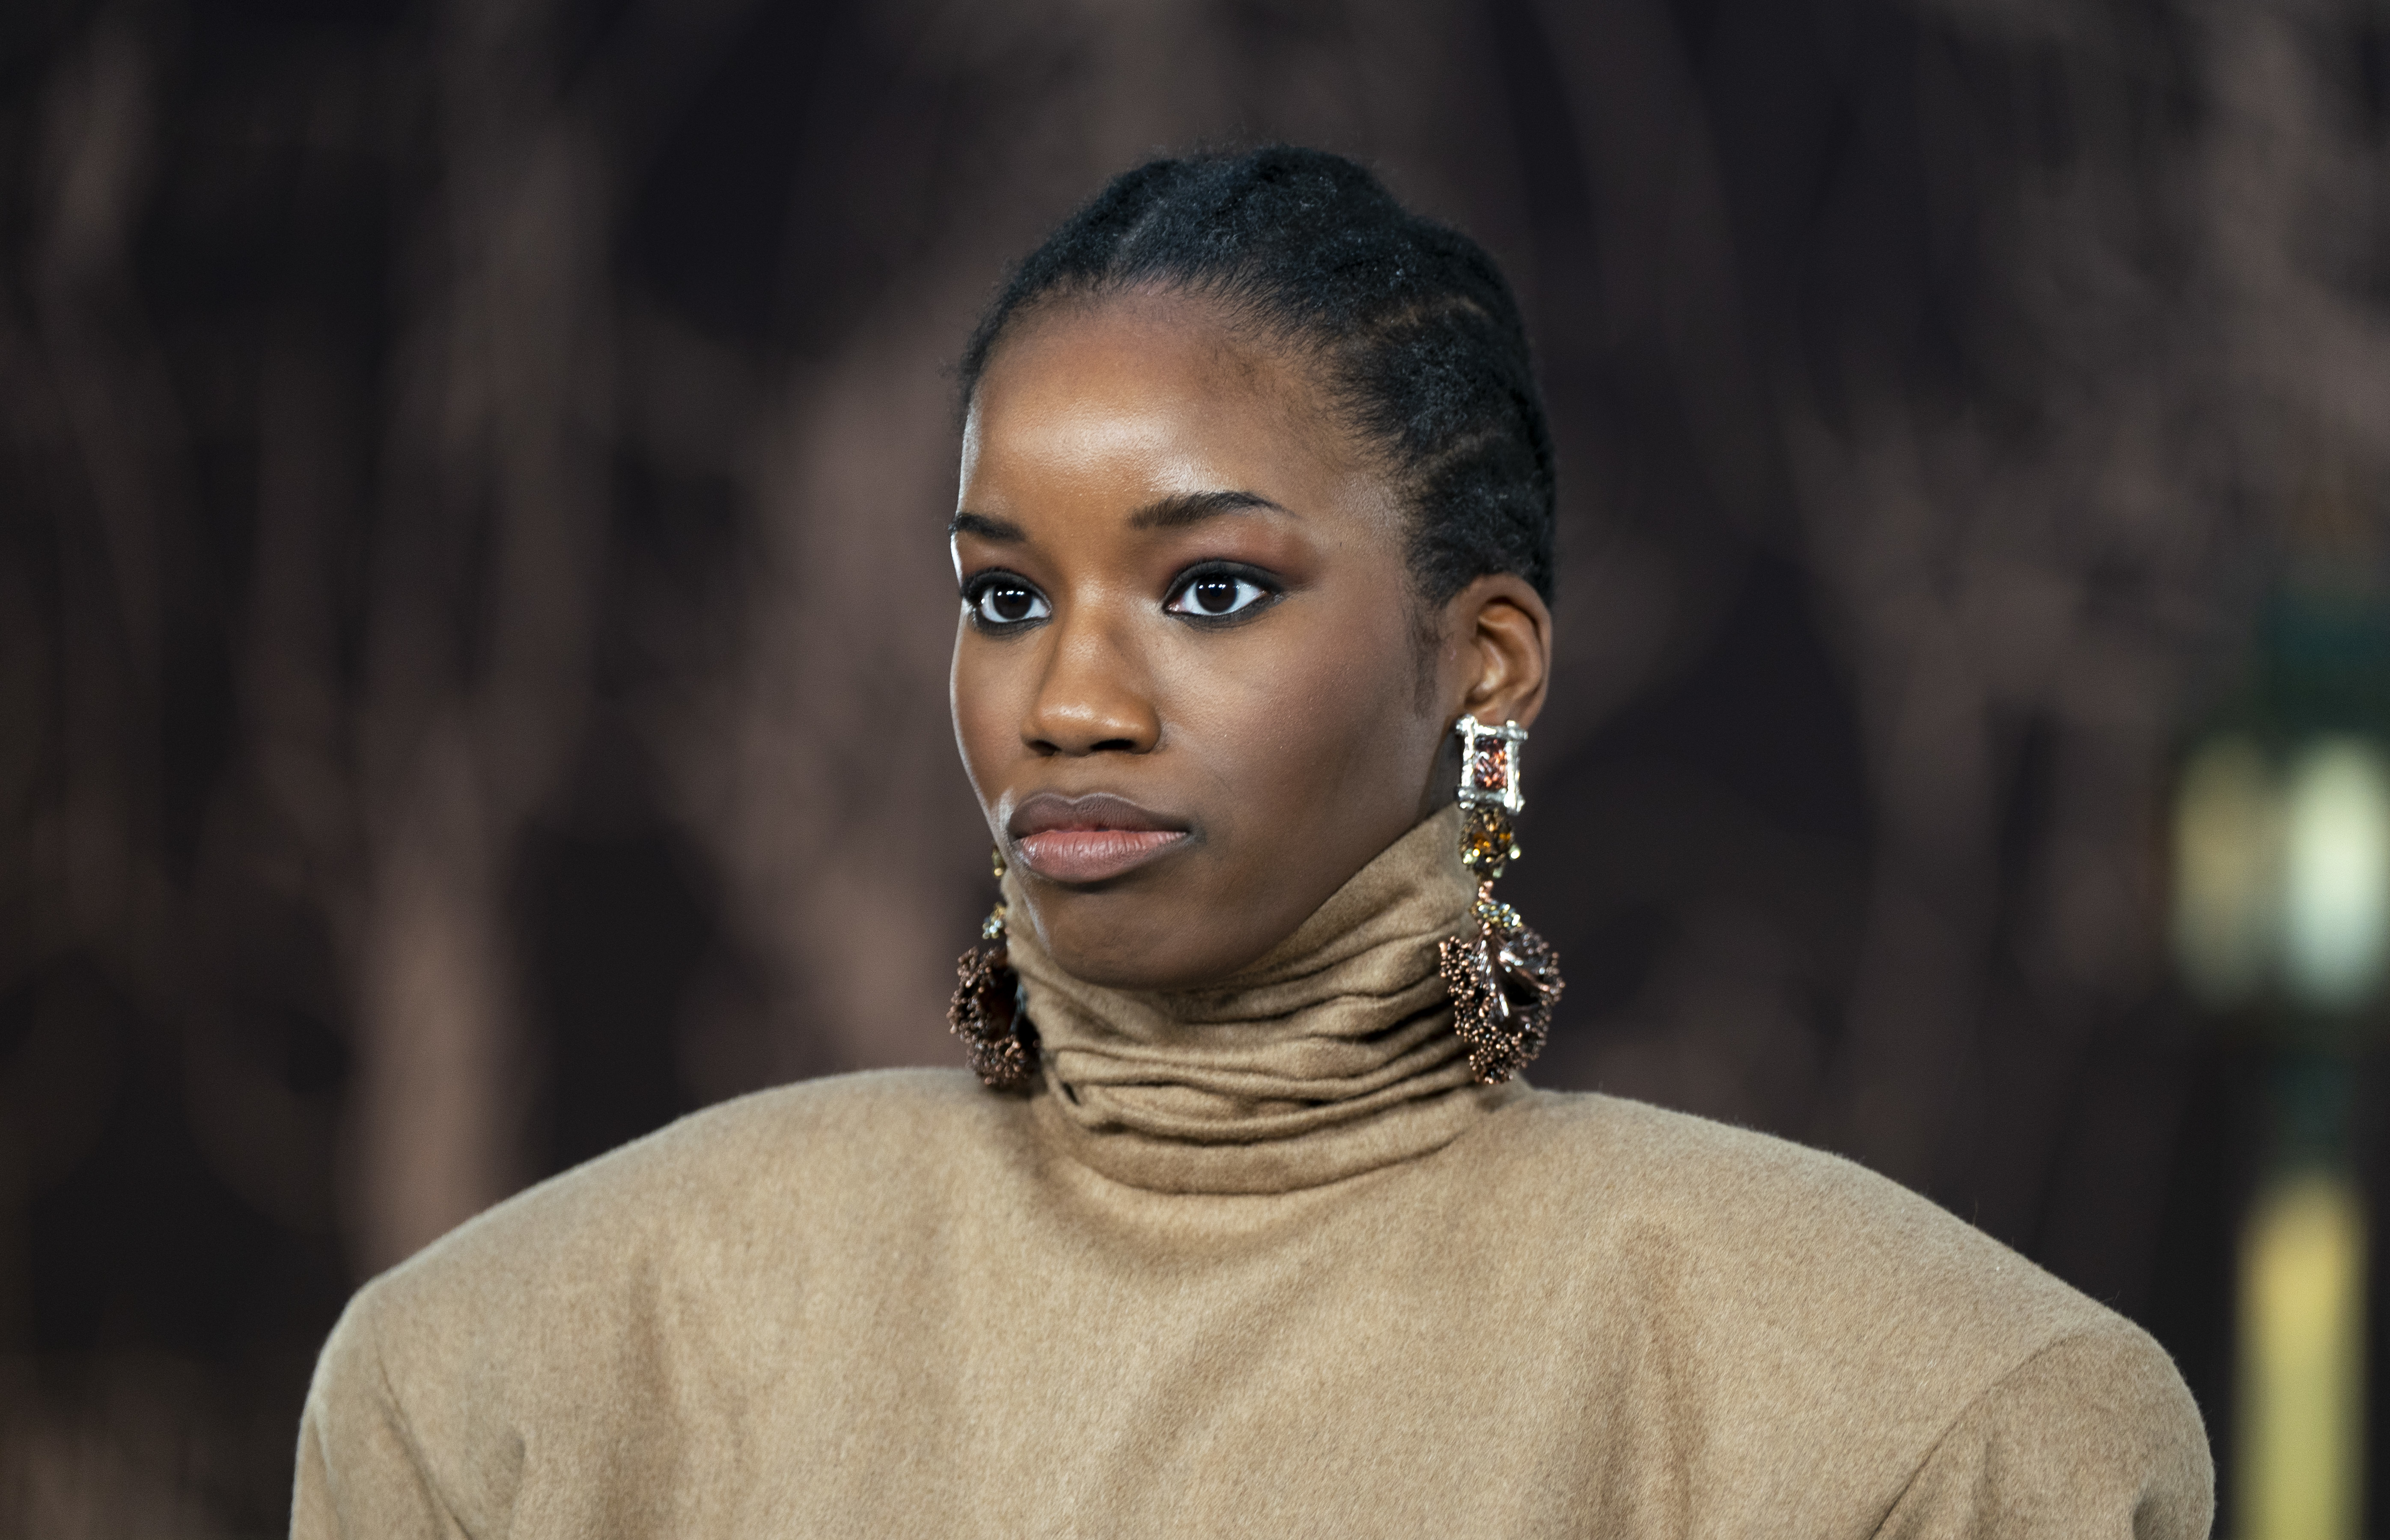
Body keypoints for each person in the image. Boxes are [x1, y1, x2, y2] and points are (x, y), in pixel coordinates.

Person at [292, 146, 2211, 1537]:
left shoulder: (1935, 1418)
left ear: (1485, 666)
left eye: (1208, 592)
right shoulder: (520, 1375)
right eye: (1001, 597)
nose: (1067, 703)